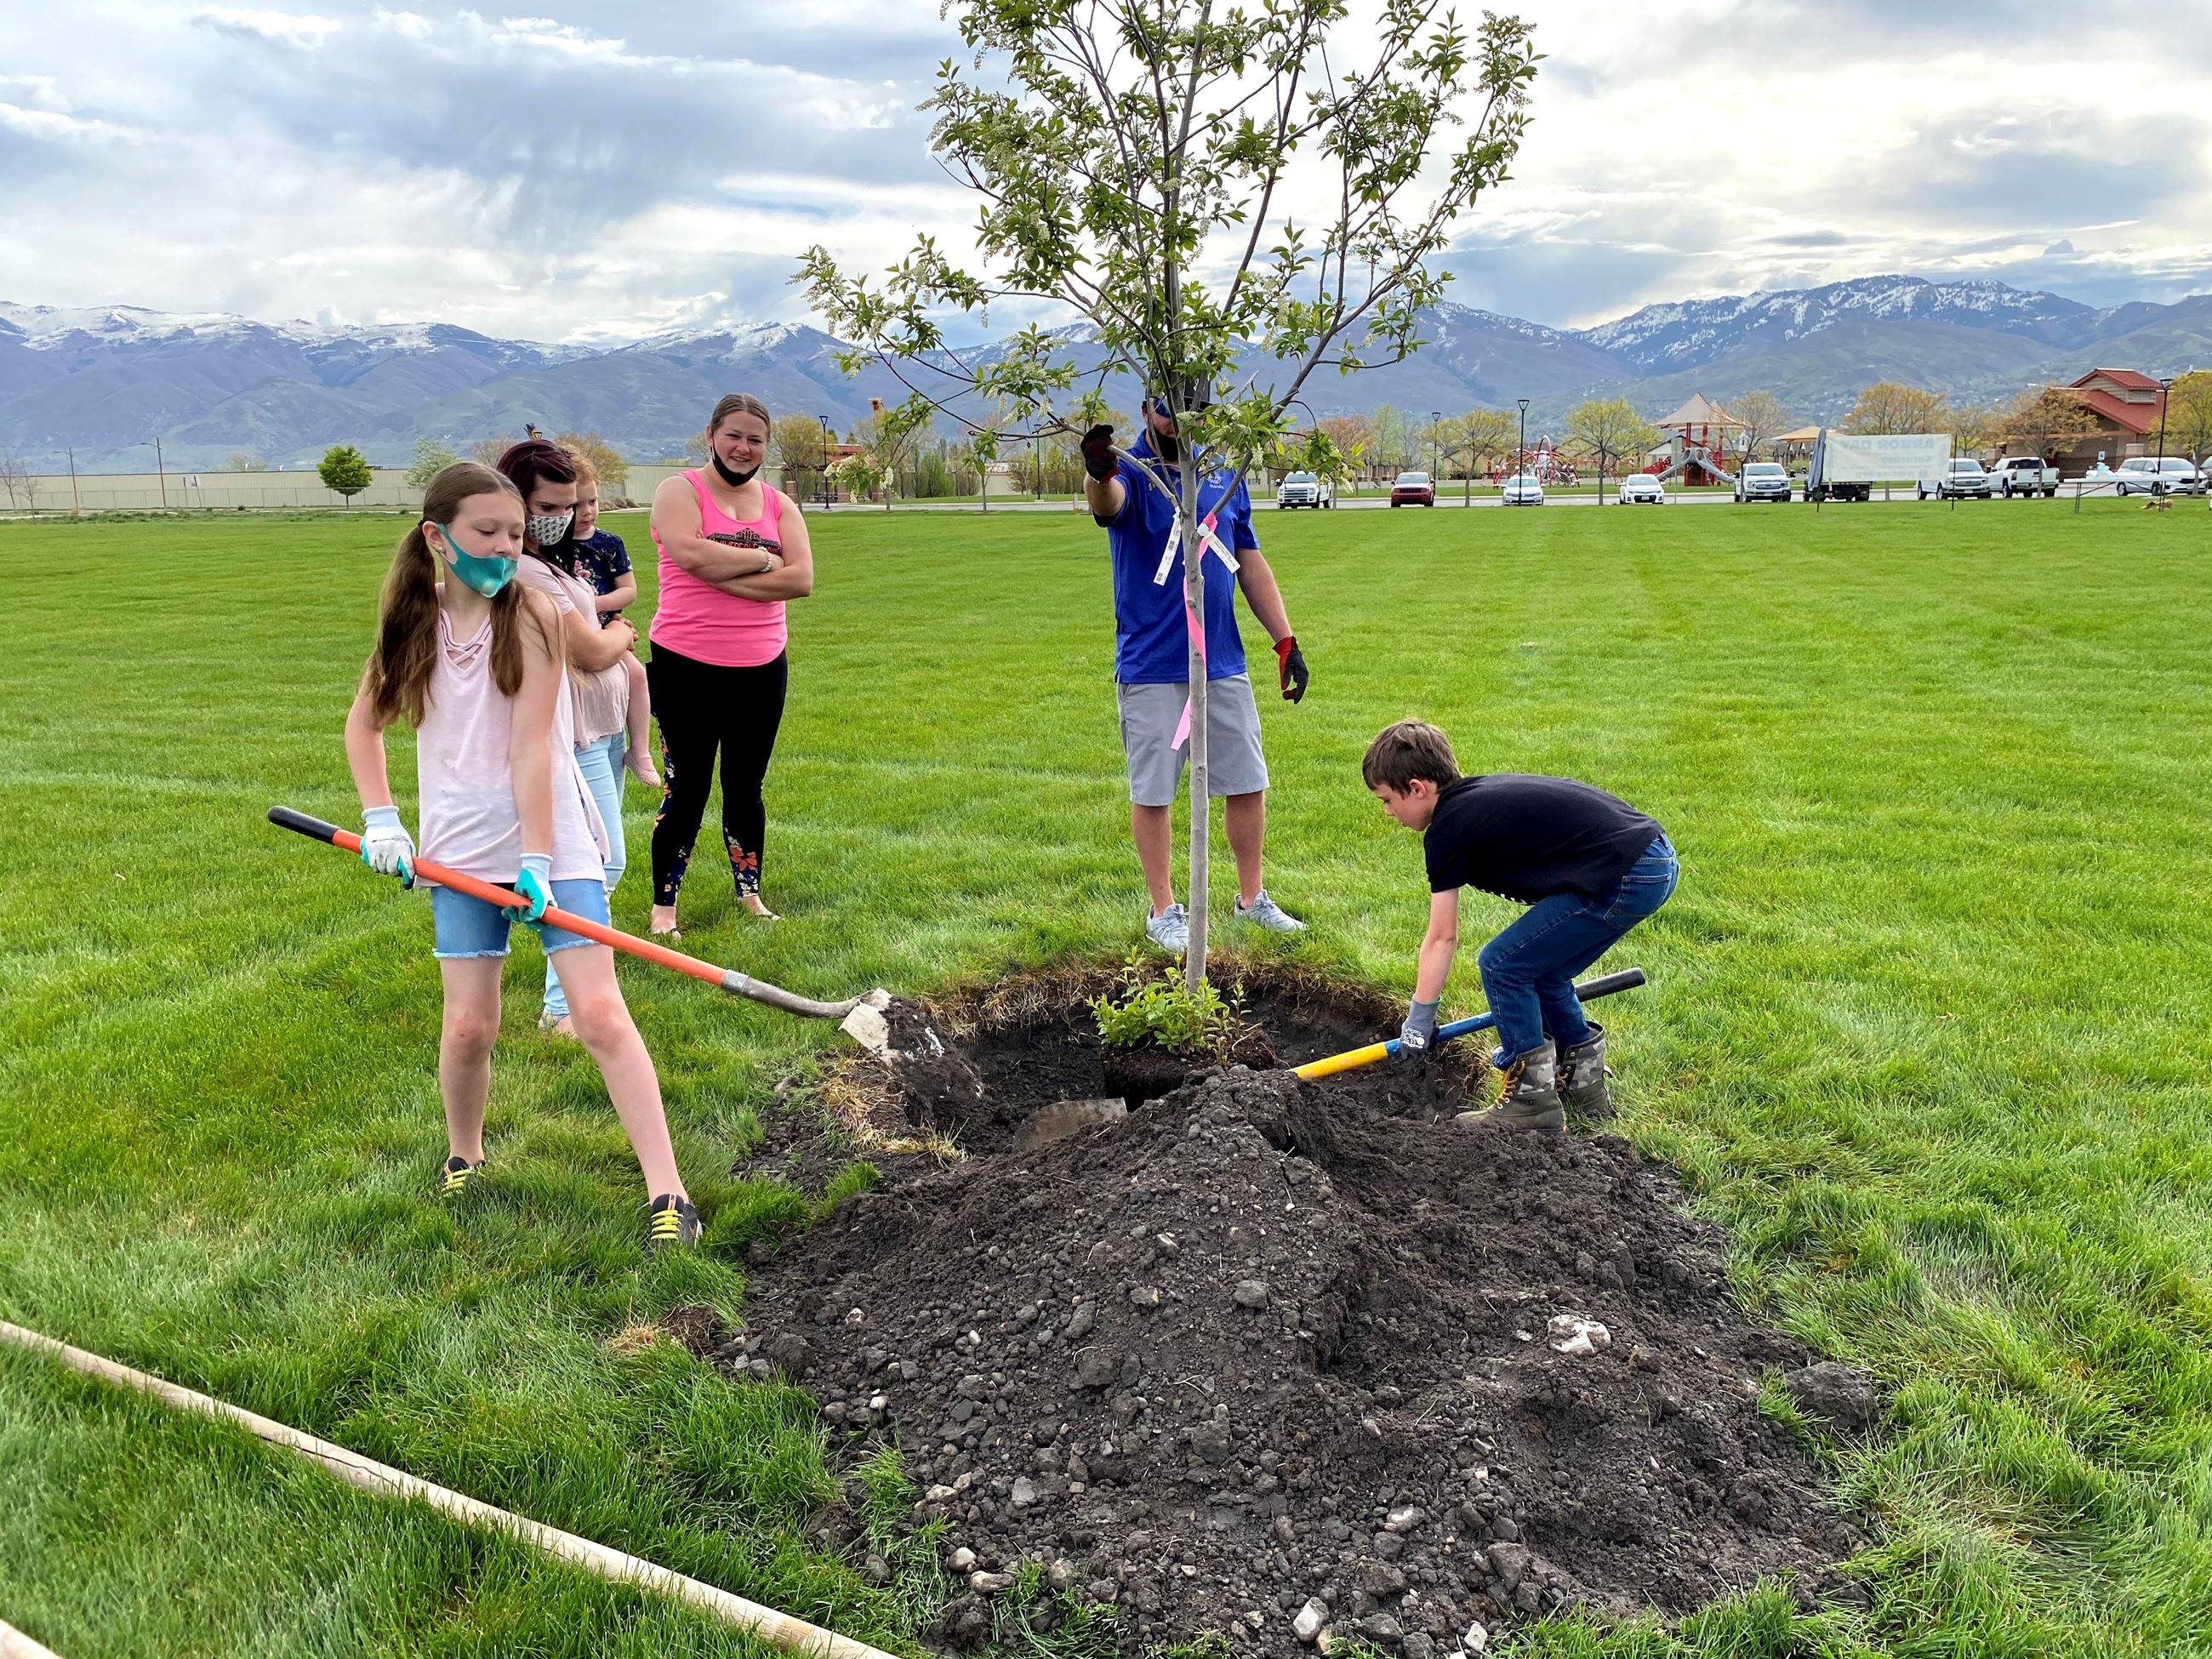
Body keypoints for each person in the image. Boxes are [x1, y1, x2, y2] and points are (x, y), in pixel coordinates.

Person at [343, 460, 698, 1249]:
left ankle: (668, 1192)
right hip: (459, 852)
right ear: (439, 538)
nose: (507, 547)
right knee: (469, 1026)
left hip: (554, 842)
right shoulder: (413, 621)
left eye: (515, 532)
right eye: (489, 532)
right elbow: (363, 726)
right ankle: (463, 1154)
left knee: (600, 1012)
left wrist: (538, 860)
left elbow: (532, 749)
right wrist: (382, 821)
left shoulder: (533, 613)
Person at [1363, 720, 1678, 1136]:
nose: (1388, 812)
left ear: (1418, 788)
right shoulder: (1470, 803)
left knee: (1503, 964)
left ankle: (1531, 1100)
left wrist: (1419, 1021)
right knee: (1544, 972)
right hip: (1650, 861)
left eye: (1387, 800)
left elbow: (1442, 937)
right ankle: (1585, 1086)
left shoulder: (1449, 828)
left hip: (1626, 872)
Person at [1080, 398, 1310, 952]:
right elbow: (1107, 506)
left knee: (1246, 780)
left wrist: (1284, 640)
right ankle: (1164, 911)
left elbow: (1248, 559)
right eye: (1168, 407)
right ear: (1146, 407)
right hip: (1155, 668)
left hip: (1222, 664)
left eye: (1194, 406)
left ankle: (1251, 900)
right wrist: (1097, 472)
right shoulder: (1132, 470)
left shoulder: (1223, 472)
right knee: (1155, 789)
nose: (1180, 419)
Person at [645, 393, 814, 937]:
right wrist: (766, 559)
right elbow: (687, 553)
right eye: (734, 436)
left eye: (755, 439)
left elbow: (801, 580)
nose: (743, 448)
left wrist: (724, 571)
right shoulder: (680, 491)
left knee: (746, 784)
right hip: (685, 664)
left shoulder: (778, 504)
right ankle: (664, 907)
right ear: (711, 434)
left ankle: (750, 894)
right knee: (687, 787)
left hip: (762, 665)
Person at [496, 438, 636, 1035]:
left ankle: (574, 997)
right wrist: (623, 637)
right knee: (598, 865)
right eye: (553, 505)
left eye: (574, 504)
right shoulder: (526, 574)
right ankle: (562, 1007)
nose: (568, 516)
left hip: (604, 726)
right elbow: (587, 645)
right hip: (574, 735)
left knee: (598, 862)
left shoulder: (552, 562)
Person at [563, 453, 660, 788]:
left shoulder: (607, 544)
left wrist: (591, 604)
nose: (587, 511)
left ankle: (640, 750)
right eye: (576, 505)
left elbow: (628, 591)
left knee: (636, 674)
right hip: (567, 633)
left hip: (605, 629)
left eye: (592, 501)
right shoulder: (552, 550)